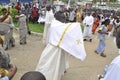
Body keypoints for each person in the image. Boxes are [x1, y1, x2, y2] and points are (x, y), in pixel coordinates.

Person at [35, 8, 86, 80]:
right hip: (54, 49)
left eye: (65, 18)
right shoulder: (55, 25)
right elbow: (65, 29)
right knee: (51, 64)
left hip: (60, 47)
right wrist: (77, 25)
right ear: (58, 18)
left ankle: (60, 72)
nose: (64, 20)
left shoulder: (57, 23)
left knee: (60, 63)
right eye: (63, 18)